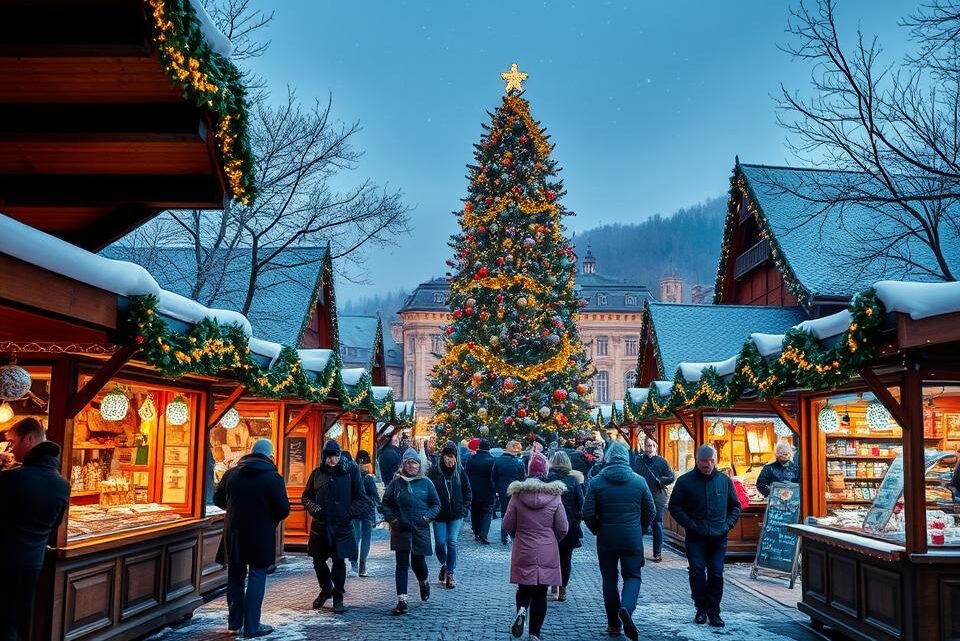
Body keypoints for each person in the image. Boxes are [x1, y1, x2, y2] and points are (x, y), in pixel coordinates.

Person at [0, 418, 71, 641]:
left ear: (29, 439)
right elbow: (54, 528)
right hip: (33, 564)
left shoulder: (12, 479)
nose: (10, 449)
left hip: (4, 562)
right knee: (13, 624)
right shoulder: (62, 484)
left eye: (13, 442)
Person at [213, 438, 290, 638]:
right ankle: (252, 626)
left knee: (235, 576)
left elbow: (217, 499)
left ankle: (234, 624)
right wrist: (268, 517)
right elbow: (283, 509)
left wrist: (234, 509)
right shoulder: (274, 478)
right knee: (257, 576)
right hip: (260, 534)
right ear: (270, 455)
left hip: (234, 533)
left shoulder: (232, 474)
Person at [582, 441, 655, 640]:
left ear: (608, 458)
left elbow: (587, 512)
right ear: (626, 458)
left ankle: (614, 625)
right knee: (633, 576)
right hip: (632, 537)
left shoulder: (597, 482)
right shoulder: (639, 481)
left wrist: (597, 529)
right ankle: (626, 609)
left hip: (607, 538)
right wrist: (640, 529)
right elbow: (651, 511)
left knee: (609, 579)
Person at [668, 444, 742, 628]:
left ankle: (714, 611)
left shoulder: (724, 481)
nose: (707, 464)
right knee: (697, 570)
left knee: (716, 573)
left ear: (715, 461)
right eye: (703, 461)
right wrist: (690, 524)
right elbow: (674, 506)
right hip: (696, 536)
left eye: (710, 461)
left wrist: (728, 524)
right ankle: (700, 608)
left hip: (719, 537)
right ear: (697, 460)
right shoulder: (685, 481)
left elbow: (735, 506)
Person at [503, 451, 568, 641]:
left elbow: (507, 524)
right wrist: (552, 539)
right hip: (547, 549)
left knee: (524, 588)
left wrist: (517, 535)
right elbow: (563, 527)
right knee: (540, 592)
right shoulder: (555, 496)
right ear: (545, 472)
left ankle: (522, 610)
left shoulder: (517, 495)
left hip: (523, 548)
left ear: (529, 472)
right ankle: (534, 634)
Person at [302, 440, 364, 614]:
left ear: (339, 455)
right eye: (328, 456)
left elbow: (361, 497)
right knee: (318, 560)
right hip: (320, 526)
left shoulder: (350, 472)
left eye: (335, 456)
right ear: (324, 457)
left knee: (339, 561)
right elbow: (306, 497)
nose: (332, 460)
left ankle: (338, 596)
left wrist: (348, 513)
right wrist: (315, 509)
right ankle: (326, 588)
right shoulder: (317, 473)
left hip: (341, 525)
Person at [382, 448, 441, 615]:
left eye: (414, 463)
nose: (411, 466)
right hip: (400, 529)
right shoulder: (396, 483)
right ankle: (402, 600)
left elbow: (436, 504)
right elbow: (386, 503)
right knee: (402, 564)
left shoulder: (426, 483)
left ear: (419, 465)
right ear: (403, 465)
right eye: (408, 463)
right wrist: (393, 519)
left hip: (420, 528)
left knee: (418, 563)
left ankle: (424, 582)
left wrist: (426, 518)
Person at [427, 441, 472, 588]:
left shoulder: (460, 471)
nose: (449, 459)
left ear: (456, 457)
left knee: (452, 541)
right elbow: (428, 491)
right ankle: (444, 564)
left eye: (452, 456)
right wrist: (430, 510)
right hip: (439, 514)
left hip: (456, 514)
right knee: (440, 543)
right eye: (447, 456)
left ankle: (450, 573)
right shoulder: (434, 472)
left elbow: (467, 491)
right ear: (442, 457)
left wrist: (465, 508)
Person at [546, 450, 583, 602]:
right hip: (569, 525)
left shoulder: (546, 480)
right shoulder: (573, 481)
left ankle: (553, 585)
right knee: (566, 559)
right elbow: (581, 504)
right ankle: (562, 590)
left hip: (549, 526)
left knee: (550, 557)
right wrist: (576, 519)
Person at [631, 437, 675, 562]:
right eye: (648, 445)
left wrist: (661, 480)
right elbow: (634, 477)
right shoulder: (639, 461)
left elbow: (671, 477)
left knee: (657, 524)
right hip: (643, 496)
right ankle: (638, 552)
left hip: (657, 497)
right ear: (644, 447)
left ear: (656, 447)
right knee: (641, 524)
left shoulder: (662, 461)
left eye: (653, 445)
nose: (650, 448)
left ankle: (657, 553)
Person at [351, 449, 380, 577]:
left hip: (355, 511)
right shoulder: (368, 479)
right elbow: (375, 496)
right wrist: (380, 507)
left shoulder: (352, 476)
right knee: (366, 538)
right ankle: (362, 565)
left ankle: (353, 562)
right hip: (367, 511)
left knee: (356, 536)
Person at [493, 440, 526, 543]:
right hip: (516, 491)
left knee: (504, 513)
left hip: (502, 490)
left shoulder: (498, 460)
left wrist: (497, 490)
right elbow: (522, 478)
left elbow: (493, 476)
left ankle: (504, 536)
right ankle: (514, 535)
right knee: (516, 513)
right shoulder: (519, 462)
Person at [465, 438, 496, 544]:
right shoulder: (493, 460)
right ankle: (484, 533)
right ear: (489, 448)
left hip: (473, 489)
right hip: (488, 489)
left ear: (479, 447)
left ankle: (476, 532)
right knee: (487, 511)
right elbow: (494, 476)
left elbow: (466, 473)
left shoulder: (471, 459)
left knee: (475, 511)